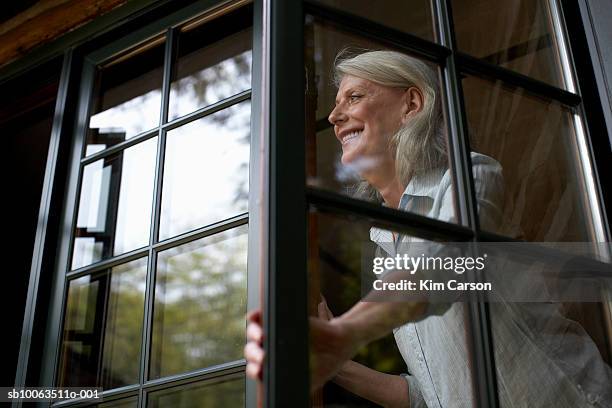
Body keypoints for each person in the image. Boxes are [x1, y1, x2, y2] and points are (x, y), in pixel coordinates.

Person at [245, 50, 612, 407]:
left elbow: (439, 266)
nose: (334, 116)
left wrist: (344, 332)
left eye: (353, 97)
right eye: (337, 103)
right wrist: (333, 362)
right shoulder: (384, 242)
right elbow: (430, 394)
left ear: (412, 104)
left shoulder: (469, 176)